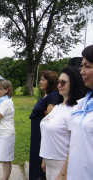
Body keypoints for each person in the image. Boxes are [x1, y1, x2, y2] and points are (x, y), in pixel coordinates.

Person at [39, 66, 86, 180]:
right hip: (49, 163)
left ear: (74, 84)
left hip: (61, 166)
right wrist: (44, 159)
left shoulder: (75, 110)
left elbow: (74, 144)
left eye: (63, 82)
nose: (59, 85)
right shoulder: (58, 107)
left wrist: (63, 173)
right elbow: (47, 134)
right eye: (58, 82)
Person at [57, 45, 93, 180]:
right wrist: (62, 174)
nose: (82, 71)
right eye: (81, 66)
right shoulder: (84, 103)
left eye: (87, 66)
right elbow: (75, 146)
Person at [29, 70, 61, 180]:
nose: (40, 82)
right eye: (40, 79)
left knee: (38, 162)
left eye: (43, 80)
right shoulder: (46, 95)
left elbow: (50, 118)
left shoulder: (53, 96)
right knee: (34, 159)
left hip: (42, 135)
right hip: (37, 133)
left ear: (50, 82)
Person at [0, 80, 15, 180]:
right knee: (4, 158)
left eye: (0, 89)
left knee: (6, 159)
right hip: (1, 133)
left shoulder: (6, 102)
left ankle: (5, 178)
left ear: (7, 89)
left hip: (6, 134)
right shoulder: (2, 100)